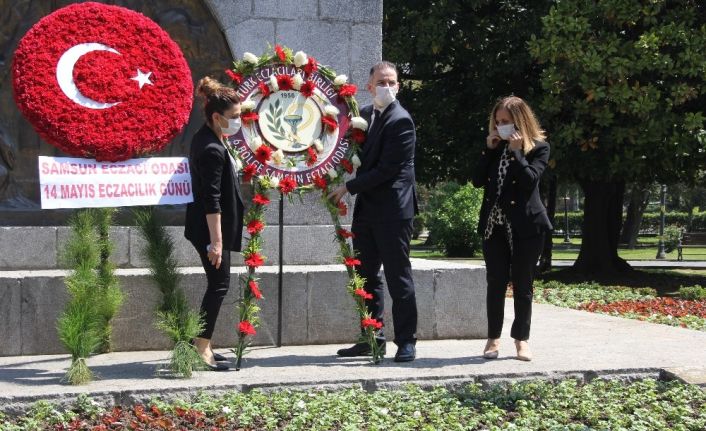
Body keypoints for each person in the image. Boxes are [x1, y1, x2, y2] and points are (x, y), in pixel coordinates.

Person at [328, 61, 418, 362]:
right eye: (381, 82)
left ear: (399, 86)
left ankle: (406, 341)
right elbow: (349, 153)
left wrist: (348, 188)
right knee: (366, 277)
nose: (387, 87)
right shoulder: (363, 116)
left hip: (394, 211)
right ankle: (371, 337)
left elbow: (387, 170)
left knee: (398, 277)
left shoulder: (401, 120)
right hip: (367, 211)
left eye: (392, 82)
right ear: (369, 86)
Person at [471, 96, 552, 361]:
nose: (501, 126)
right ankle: (493, 338)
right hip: (494, 225)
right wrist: (488, 149)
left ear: (520, 121)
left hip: (527, 226)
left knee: (522, 283)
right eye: (497, 121)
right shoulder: (494, 148)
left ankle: (521, 340)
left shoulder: (539, 148)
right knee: (495, 281)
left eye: (506, 121)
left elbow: (529, 181)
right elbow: (476, 181)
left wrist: (517, 153)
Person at [184, 77, 244, 371]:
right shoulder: (211, 148)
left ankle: (201, 341)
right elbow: (212, 200)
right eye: (234, 117)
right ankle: (201, 345)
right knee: (219, 285)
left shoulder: (211, 138)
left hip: (208, 228)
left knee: (217, 284)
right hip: (208, 229)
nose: (239, 121)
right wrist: (216, 242)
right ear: (217, 117)